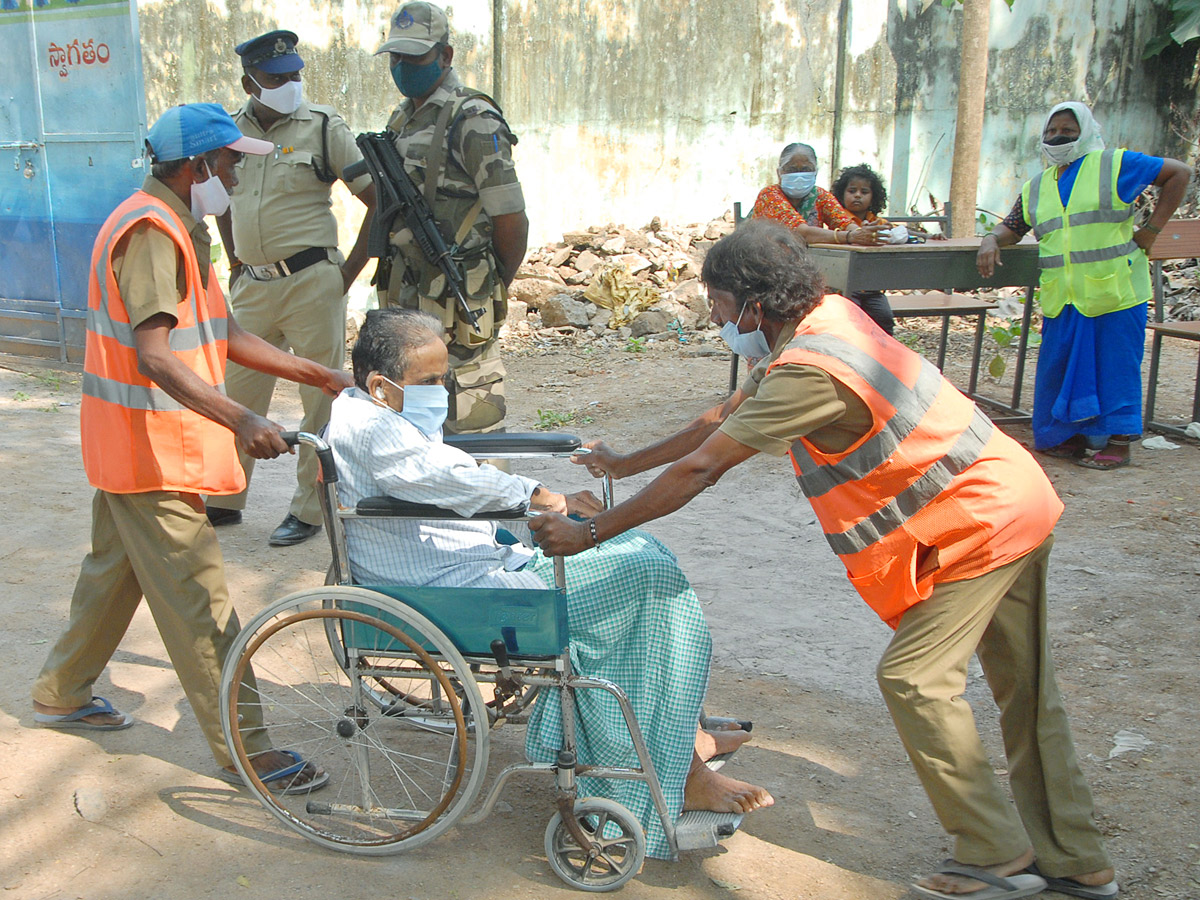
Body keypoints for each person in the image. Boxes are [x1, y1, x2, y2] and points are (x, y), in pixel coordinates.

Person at [531, 220, 1119, 900]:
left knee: (915, 680)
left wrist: (592, 531)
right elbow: (721, 415)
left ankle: (992, 855)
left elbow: (702, 467)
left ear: (754, 303)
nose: (717, 318)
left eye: (720, 304)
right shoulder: (824, 321)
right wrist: (624, 461)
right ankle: (1077, 861)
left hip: (978, 524)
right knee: (1027, 694)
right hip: (1012, 500)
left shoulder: (809, 370)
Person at [324, 308, 773, 860]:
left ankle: (675, 742)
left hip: (475, 563)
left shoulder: (382, 411)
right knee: (642, 579)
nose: (442, 392)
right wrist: (544, 497)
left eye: (444, 377)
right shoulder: (370, 427)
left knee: (643, 558)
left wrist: (535, 507)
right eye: (431, 382)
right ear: (379, 384)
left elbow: (446, 475)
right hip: (450, 589)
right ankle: (679, 766)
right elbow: (445, 477)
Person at [31, 104, 352, 794]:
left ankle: (62, 689)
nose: (237, 176)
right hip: (151, 450)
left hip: (131, 447)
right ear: (195, 167)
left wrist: (320, 374)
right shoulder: (151, 233)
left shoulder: (181, 222)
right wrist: (241, 417)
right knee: (202, 605)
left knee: (113, 573)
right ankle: (250, 750)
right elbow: (155, 356)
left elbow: (222, 330)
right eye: (231, 163)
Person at [205, 30, 377, 546]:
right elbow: (221, 200)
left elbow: (377, 199)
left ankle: (309, 507)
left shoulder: (323, 127)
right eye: (278, 78)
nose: (291, 84)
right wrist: (234, 259)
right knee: (238, 390)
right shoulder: (229, 131)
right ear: (249, 82)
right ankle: (226, 496)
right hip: (253, 285)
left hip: (311, 281)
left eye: (295, 74)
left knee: (320, 397)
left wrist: (345, 274)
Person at [977, 101, 1190, 470]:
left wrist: (1151, 230)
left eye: (1068, 131)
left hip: (1115, 292)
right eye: (1052, 131)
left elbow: (1180, 173)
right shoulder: (1038, 185)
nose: (1059, 137)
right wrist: (990, 239)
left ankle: (1119, 443)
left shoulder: (1114, 164)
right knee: (1059, 370)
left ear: (1087, 132)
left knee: (1114, 369)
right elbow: (1013, 225)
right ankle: (1069, 438)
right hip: (1064, 297)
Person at [373, 1, 528, 437]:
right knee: (409, 420)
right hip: (407, 292)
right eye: (396, 58)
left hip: (458, 295)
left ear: (445, 55)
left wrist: (492, 282)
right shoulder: (404, 116)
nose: (402, 67)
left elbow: (511, 218)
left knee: (471, 423)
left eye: (415, 57)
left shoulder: (473, 119)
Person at [829, 163, 898, 334]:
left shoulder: (876, 222)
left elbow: (898, 230)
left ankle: (883, 356)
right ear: (841, 194)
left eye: (864, 192)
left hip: (871, 288)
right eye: (852, 191)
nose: (858, 196)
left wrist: (927, 236)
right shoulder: (837, 220)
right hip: (844, 287)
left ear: (873, 197)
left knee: (884, 318)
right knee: (851, 320)